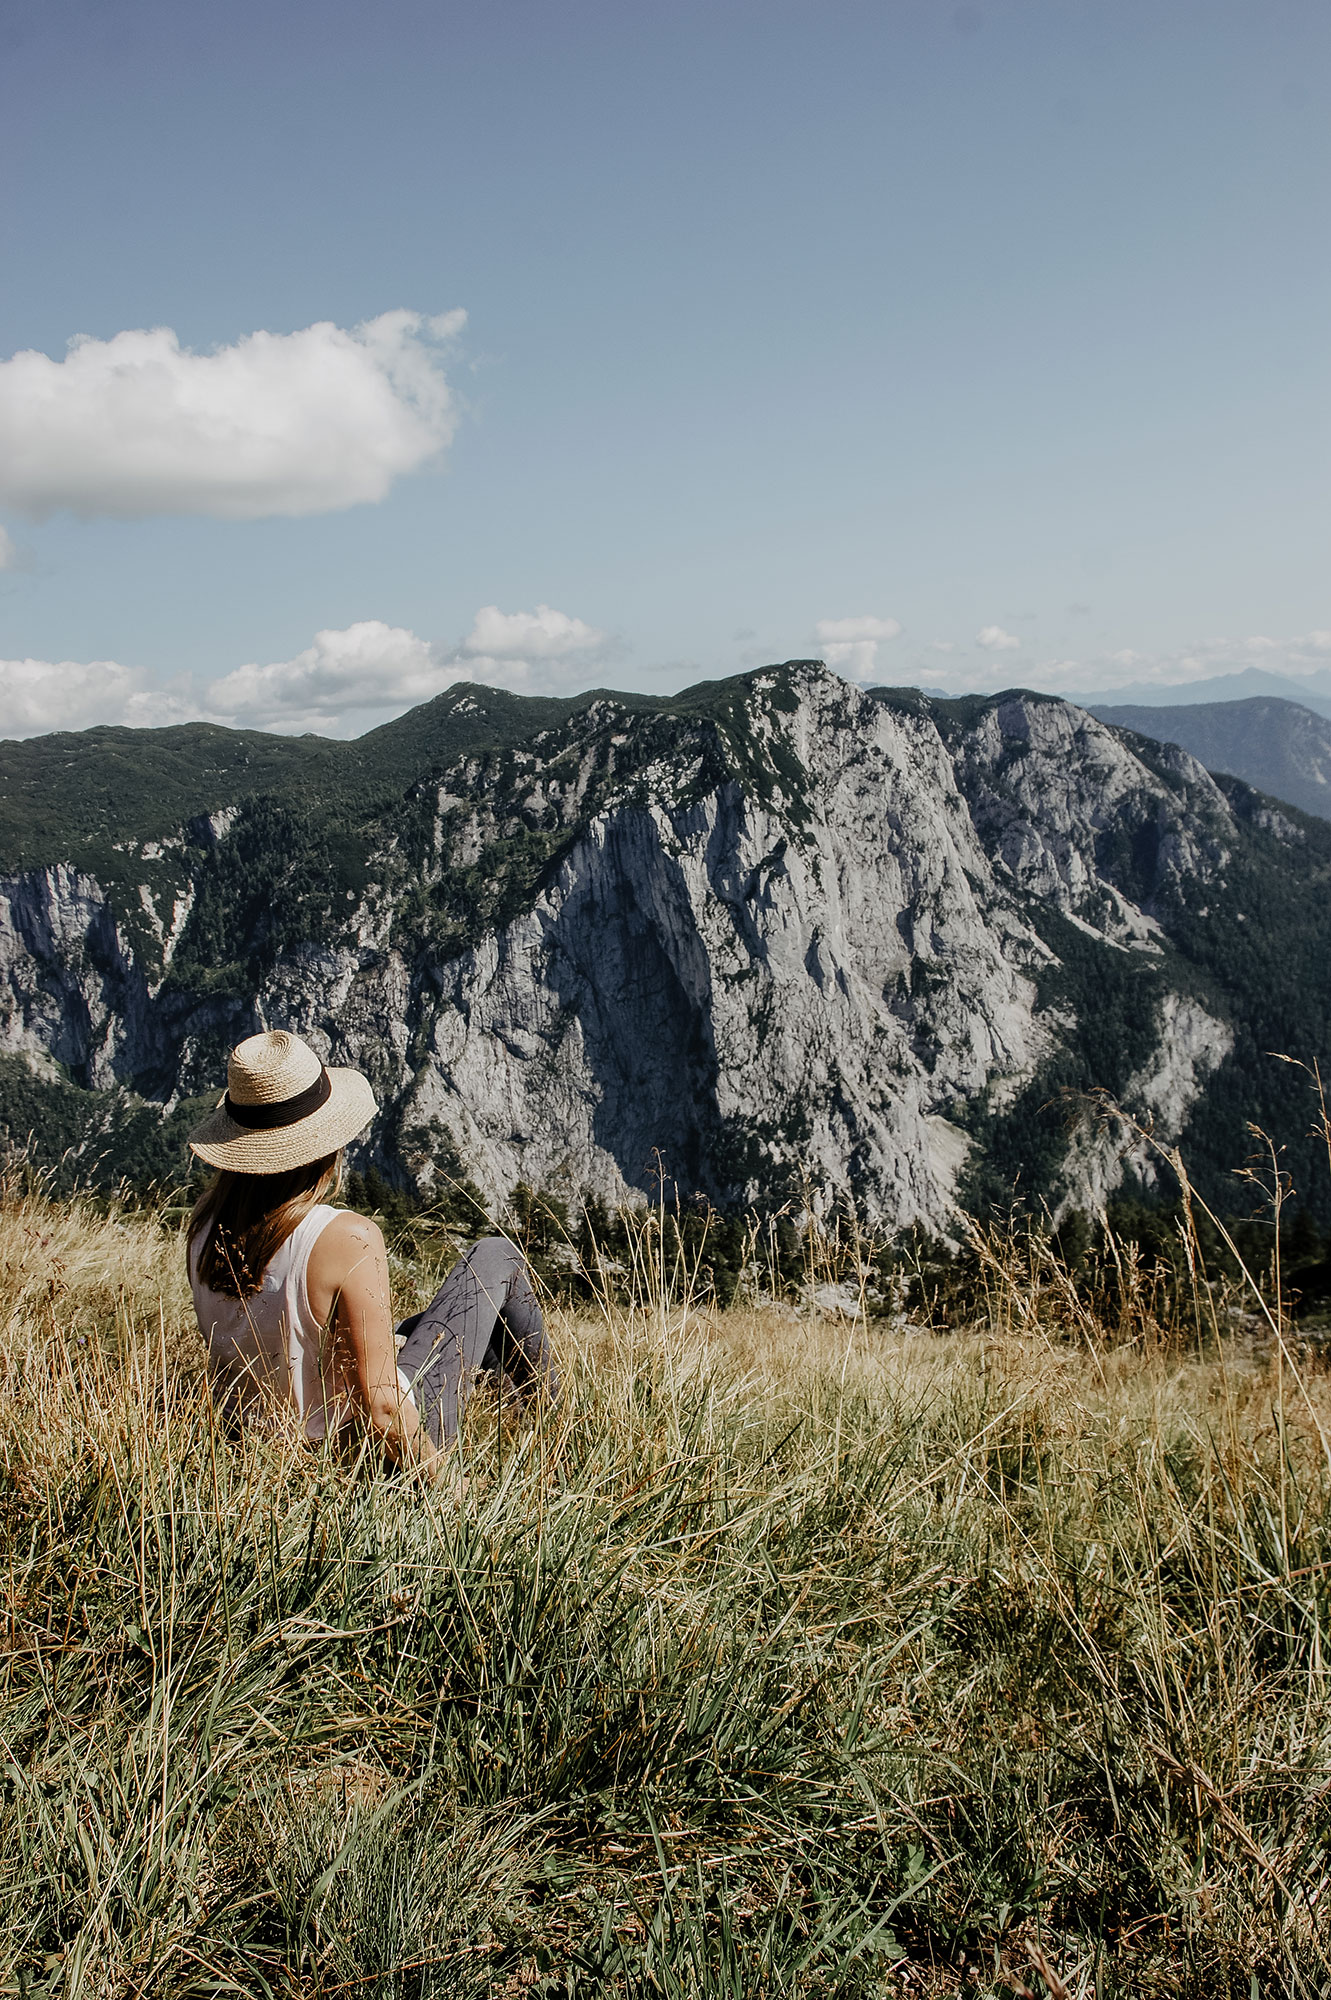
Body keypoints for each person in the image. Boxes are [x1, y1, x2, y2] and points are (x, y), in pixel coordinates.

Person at [186, 1029, 558, 1469]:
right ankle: (555, 1421)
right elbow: (382, 1408)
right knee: (496, 1255)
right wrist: (452, 1496)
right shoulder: (344, 1236)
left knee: (430, 1322)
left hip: (263, 1447)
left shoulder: (205, 1227)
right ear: (322, 1143)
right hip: (358, 1456)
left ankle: (517, 1424)